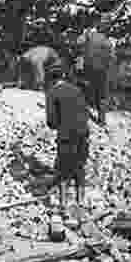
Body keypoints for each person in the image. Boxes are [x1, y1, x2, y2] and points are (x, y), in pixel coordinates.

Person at [45, 57, 90, 218]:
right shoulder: (77, 90)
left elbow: (51, 122)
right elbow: (85, 112)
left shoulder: (52, 92)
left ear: (50, 78)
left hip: (66, 135)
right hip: (83, 134)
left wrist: (60, 124)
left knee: (63, 170)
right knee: (79, 168)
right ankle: (81, 205)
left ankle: (63, 206)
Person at [78, 23, 114, 125]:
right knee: (102, 94)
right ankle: (101, 120)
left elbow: (79, 43)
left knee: (86, 88)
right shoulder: (108, 42)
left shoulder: (89, 36)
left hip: (89, 69)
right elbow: (112, 57)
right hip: (103, 71)